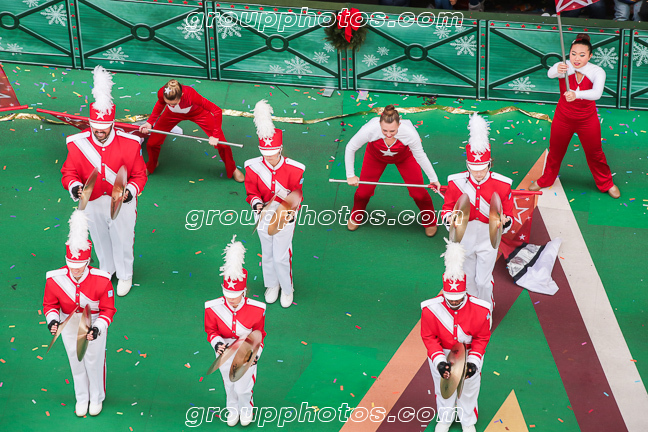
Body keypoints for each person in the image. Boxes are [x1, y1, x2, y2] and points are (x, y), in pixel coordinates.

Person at [61, 65, 147, 297]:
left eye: (104, 129)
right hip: (92, 200)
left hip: (122, 201)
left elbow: (140, 175)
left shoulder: (130, 143)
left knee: (123, 238)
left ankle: (125, 274)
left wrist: (130, 191)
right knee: (99, 237)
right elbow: (68, 173)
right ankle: (107, 269)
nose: (99, 132)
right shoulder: (77, 144)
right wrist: (75, 187)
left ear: (112, 124)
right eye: (95, 128)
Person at [43, 210, 116, 417]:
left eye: (79, 266)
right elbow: (50, 305)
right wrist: (53, 321)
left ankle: (97, 397)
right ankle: (82, 397)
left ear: (87, 262)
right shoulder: (54, 279)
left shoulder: (102, 280)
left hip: (93, 321)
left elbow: (108, 310)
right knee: (75, 360)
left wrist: (98, 328)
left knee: (94, 360)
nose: (75, 270)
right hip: (68, 323)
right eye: (71, 265)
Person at [530, 34, 620, 198]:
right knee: (555, 151)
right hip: (563, 117)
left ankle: (606, 183)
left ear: (590, 56)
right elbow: (550, 74)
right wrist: (556, 69)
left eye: (582, 55)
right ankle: (546, 179)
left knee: (595, 153)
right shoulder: (564, 66)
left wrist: (576, 94)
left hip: (587, 120)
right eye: (573, 54)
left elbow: (597, 93)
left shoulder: (597, 71)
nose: (576, 58)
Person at [420, 239, 492, 432]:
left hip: (469, 353)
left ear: (465, 292)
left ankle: (467, 420)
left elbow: (481, 338)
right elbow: (429, 338)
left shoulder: (481, 309)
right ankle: (445, 418)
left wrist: (474, 362)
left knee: (469, 388)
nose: (453, 302)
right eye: (450, 299)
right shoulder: (430, 309)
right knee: (442, 386)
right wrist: (439, 361)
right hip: (442, 352)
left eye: (458, 299)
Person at [441, 114, 512, 307]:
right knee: (469, 280)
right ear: (467, 165)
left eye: (482, 168)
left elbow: (509, 213)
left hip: (489, 235)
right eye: (474, 168)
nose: (478, 173)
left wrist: (505, 221)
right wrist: (450, 218)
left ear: (490, 163)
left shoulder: (503, 184)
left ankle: (486, 309)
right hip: (465, 234)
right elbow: (446, 208)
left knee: (483, 281)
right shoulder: (456, 182)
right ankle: (472, 310)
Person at [345, 105, 441, 236]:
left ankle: (430, 221)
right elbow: (350, 147)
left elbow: (420, 156)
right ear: (379, 124)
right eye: (384, 130)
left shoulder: (409, 133)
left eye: (393, 131)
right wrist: (350, 175)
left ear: (399, 124)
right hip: (375, 157)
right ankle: (356, 215)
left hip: (405, 158)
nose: (389, 134)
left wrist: (433, 179)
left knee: (418, 194)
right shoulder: (369, 129)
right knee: (363, 193)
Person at [245, 100, 305, 308]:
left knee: (281, 255)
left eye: (272, 155)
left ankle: (287, 288)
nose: (269, 159)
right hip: (262, 214)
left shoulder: (295, 169)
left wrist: (288, 210)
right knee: (268, 253)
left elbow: (297, 195)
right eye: (265, 155)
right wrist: (257, 205)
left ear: (280, 150)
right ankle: (272, 285)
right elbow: (251, 192)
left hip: (285, 214)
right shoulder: (252, 167)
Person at [204, 236, 266, 427]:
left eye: (235, 295)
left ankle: (246, 409)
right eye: (228, 295)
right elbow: (211, 330)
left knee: (243, 388)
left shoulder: (258, 309)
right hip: (224, 351)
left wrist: (256, 354)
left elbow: (259, 334)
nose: (231, 299)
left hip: (247, 350)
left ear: (244, 291)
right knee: (229, 384)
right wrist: (217, 344)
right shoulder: (212, 308)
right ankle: (232, 409)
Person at [138, 79, 244, 181]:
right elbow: (161, 104)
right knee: (152, 143)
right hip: (171, 114)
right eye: (168, 103)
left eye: (174, 103)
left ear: (182, 95)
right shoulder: (162, 92)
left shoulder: (191, 95)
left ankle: (232, 169)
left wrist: (215, 135)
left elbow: (217, 111)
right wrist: (150, 122)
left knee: (223, 145)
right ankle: (152, 164)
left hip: (197, 113)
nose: (170, 105)